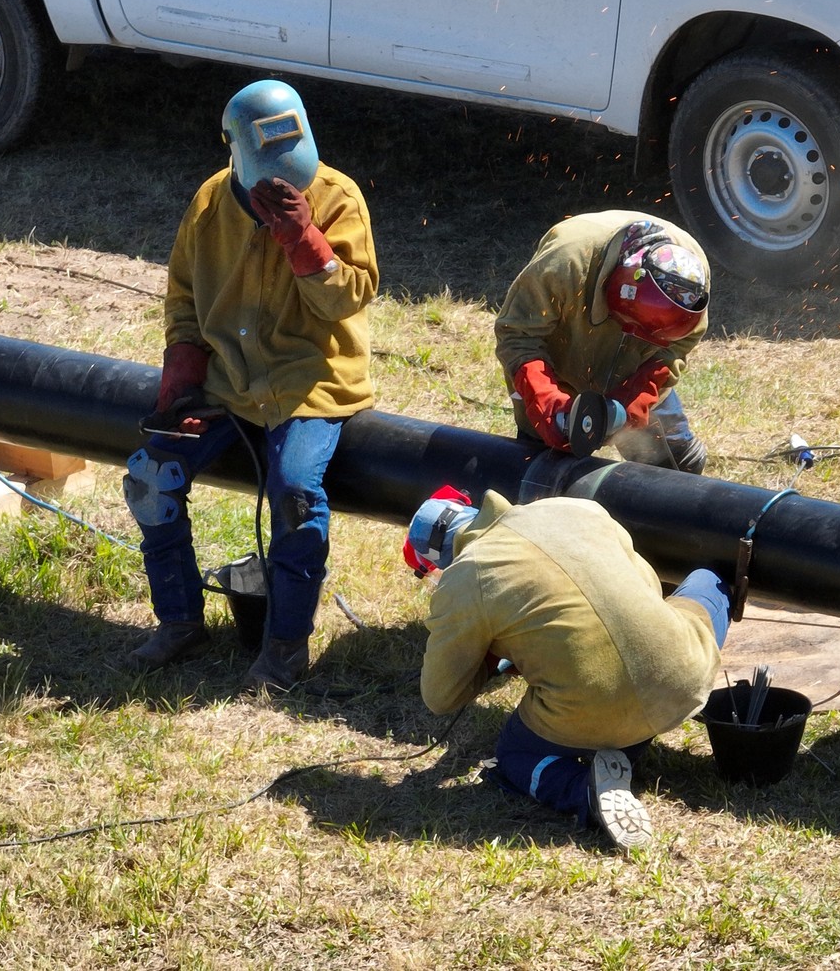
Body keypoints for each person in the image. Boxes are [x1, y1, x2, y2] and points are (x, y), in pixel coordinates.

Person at [122, 79, 380, 692]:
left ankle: (285, 648)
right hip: (229, 381)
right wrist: (183, 363)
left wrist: (304, 240)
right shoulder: (212, 201)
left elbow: (350, 297)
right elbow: (184, 291)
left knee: (294, 492)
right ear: (233, 150)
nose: (278, 185)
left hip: (309, 379)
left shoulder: (338, 198)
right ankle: (180, 621)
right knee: (148, 477)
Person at [405, 487, 731, 850]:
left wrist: (489, 658)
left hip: (600, 708)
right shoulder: (573, 507)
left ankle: (584, 789)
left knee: (515, 756)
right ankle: (626, 744)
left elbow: (440, 696)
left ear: (438, 559)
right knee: (707, 582)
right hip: (684, 678)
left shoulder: (464, 577)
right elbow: (648, 585)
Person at [495, 211, 710, 473]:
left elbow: (678, 346)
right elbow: (519, 335)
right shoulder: (566, 262)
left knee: (673, 463)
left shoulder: (693, 277)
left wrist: (638, 394)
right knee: (545, 463)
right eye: (631, 324)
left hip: (637, 364)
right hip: (563, 353)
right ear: (620, 287)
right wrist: (545, 398)